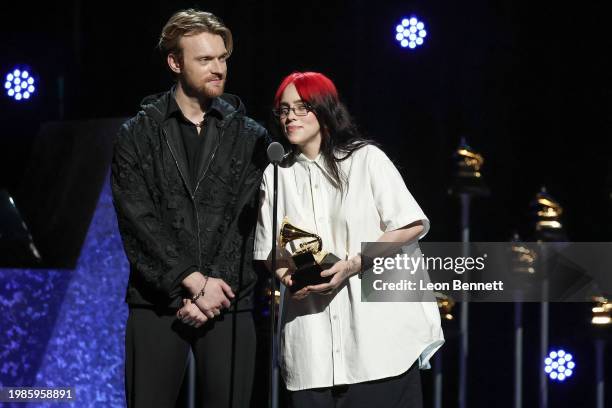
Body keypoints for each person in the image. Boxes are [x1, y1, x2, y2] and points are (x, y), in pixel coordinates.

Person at [254, 72, 444, 408]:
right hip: (311, 350)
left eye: (301, 108)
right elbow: (271, 250)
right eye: (284, 110)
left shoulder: (365, 159)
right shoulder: (277, 173)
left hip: (378, 345)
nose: (290, 117)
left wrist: (353, 265)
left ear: (325, 110)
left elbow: (410, 224)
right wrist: (289, 277)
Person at [111, 9, 268, 408]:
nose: (218, 69)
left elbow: (248, 223)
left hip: (228, 300)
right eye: (205, 60)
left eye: (222, 58)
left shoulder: (251, 136)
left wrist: (214, 289)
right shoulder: (137, 133)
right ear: (175, 63)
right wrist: (191, 281)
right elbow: (137, 219)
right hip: (158, 302)